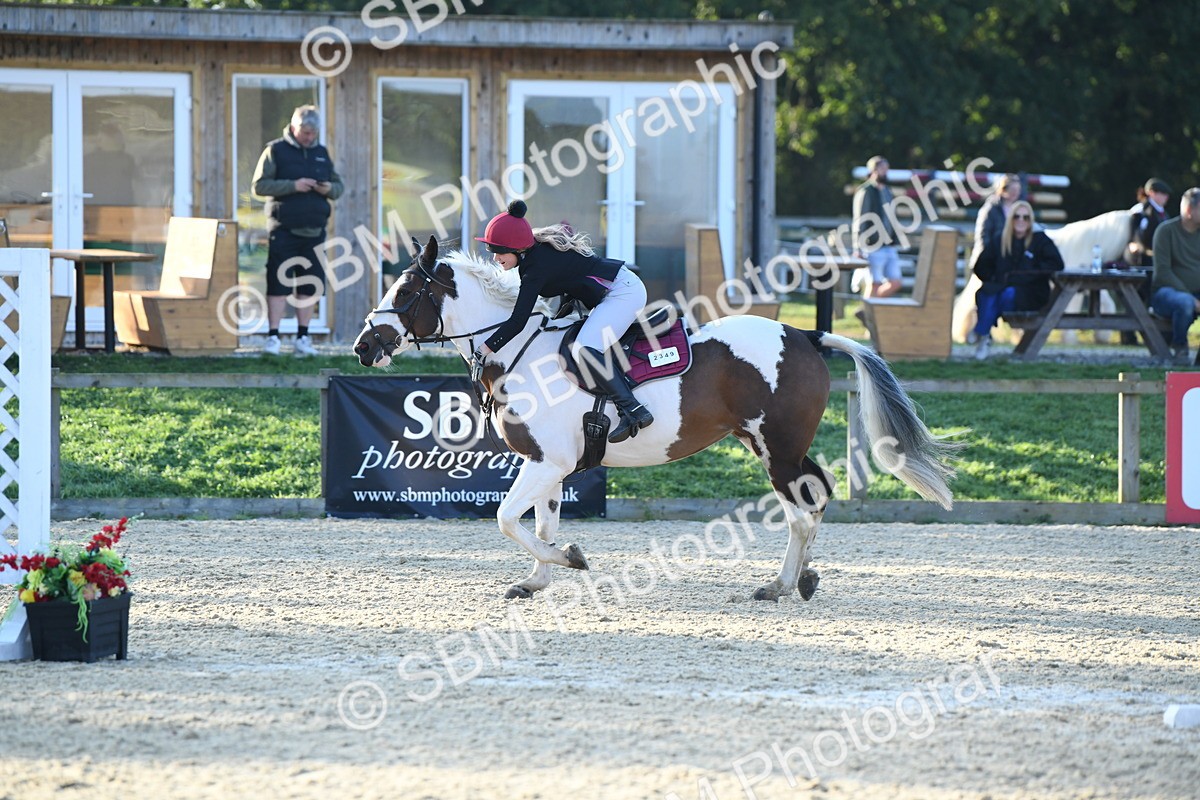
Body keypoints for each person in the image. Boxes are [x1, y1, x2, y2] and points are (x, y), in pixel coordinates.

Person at [471, 199, 653, 443]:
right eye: (492, 251)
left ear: (517, 248)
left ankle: (633, 410)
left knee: (585, 348)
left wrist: (484, 349)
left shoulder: (534, 267)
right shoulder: (533, 253)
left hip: (623, 294)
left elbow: (518, 321)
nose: (495, 258)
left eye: (499, 251)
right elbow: (568, 279)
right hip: (616, 290)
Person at [252, 105, 343, 356]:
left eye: (313, 133)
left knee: (309, 286)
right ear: (294, 127)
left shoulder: (322, 153)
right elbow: (258, 186)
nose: (309, 137)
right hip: (283, 231)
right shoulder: (275, 150)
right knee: (278, 284)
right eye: (305, 132)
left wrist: (327, 190)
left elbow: (339, 187)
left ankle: (303, 338)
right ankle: (273, 338)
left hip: (315, 233)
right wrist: (293, 185)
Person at [970, 200, 1064, 360]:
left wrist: (1033, 272)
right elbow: (981, 266)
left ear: (1030, 220)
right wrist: (993, 278)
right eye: (1017, 217)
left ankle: (981, 331)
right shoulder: (1000, 239)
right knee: (986, 293)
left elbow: (1056, 264)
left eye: (1026, 217)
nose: (1021, 221)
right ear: (1011, 219)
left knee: (1005, 294)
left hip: (1030, 292)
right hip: (1001, 285)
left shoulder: (1040, 240)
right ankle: (984, 335)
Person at [1150, 187, 1200, 366]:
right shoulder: (1166, 231)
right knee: (1184, 302)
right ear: (1189, 210)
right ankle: (1180, 348)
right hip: (1166, 293)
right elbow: (1163, 272)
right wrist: (1191, 299)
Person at [851, 156, 902, 298]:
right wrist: (858, 247)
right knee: (874, 283)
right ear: (873, 170)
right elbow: (859, 220)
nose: (886, 172)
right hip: (872, 245)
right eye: (882, 169)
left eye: (887, 169)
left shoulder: (887, 191)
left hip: (888, 244)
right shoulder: (866, 191)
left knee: (896, 282)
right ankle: (868, 314)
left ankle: (868, 309)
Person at [969, 173, 1022, 272]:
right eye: (1013, 190)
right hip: (990, 259)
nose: (1016, 193)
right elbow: (983, 235)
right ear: (1004, 189)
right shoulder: (990, 209)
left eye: (1017, 190)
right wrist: (988, 258)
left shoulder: (1019, 209)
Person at [1129, 178, 1171, 268]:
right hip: (1143, 260)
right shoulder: (1141, 211)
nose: (1166, 196)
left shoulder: (1163, 213)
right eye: (1162, 193)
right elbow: (1137, 237)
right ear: (1152, 193)